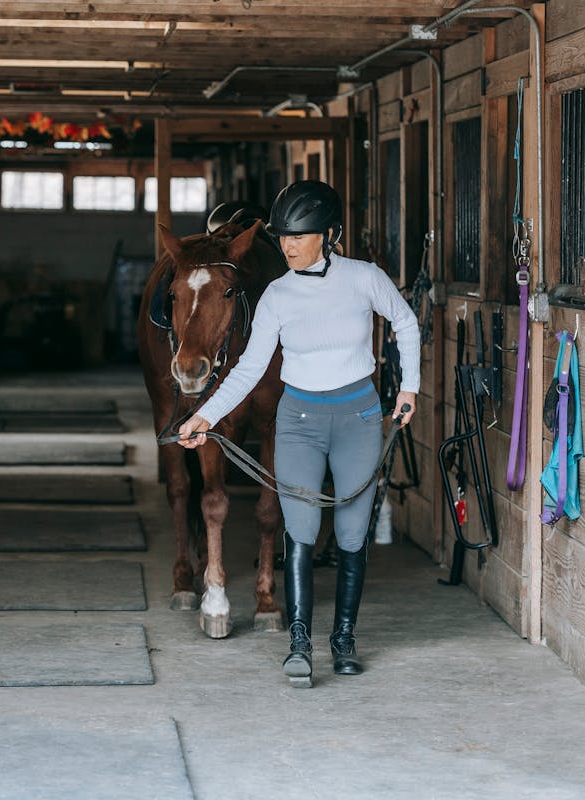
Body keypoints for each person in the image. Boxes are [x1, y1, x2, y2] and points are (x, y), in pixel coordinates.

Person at [177, 180, 420, 686]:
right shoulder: (276, 295)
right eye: (284, 235)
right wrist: (203, 416)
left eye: (300, 235)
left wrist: (409, 388)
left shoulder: (362, 278)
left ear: (328, 235)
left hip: (356, 416)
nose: (288, 244)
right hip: (299, 421)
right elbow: (246, 370)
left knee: (352, 535)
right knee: (302, 532)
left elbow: (405, 319)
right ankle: (300, 642)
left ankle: (344, 640)